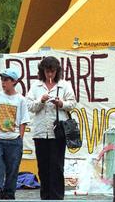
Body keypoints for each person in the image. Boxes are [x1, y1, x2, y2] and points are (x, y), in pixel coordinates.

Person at [26, 56, 76, 200]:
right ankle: (45, 196)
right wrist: (41, 100)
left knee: (57, 166)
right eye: (47, 72)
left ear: (57, 71)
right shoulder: (36, 86)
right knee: (43, 167)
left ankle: (57, 197)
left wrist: (61, 103)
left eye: (52, 72)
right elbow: (30, 106)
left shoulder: (64, 85)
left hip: (58, 132)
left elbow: (72, 103)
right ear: (43, 71)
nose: (50, 75)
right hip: (41, 132)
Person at [0, 68, 30, 199]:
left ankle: (9, 193)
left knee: (12, 167)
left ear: (14, 82)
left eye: (6, 80)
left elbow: (24, 120)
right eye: (2, 79)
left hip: (14, 138)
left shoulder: (21, 100)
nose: (3, 82)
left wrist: (20, 138)